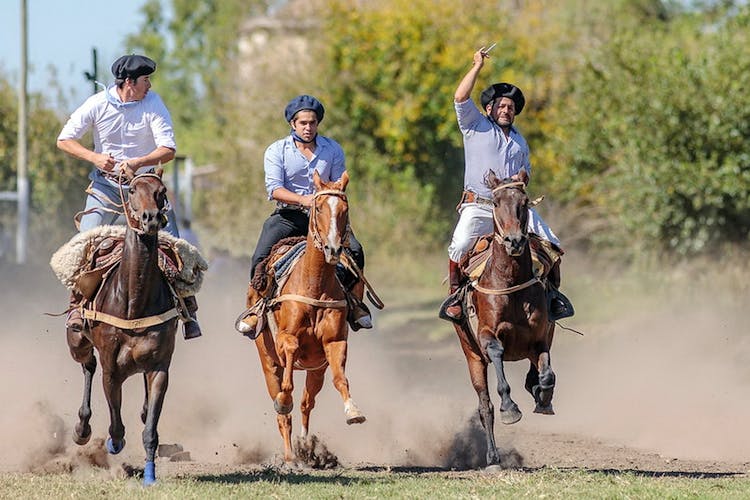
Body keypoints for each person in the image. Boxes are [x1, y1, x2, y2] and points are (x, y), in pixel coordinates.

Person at [56, 54, 202, 340]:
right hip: (106, 188)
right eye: (145, 80)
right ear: (128, 83)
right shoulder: (97, 104)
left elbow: (168, 149)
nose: (149, 85)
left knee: (174, 245)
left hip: (145, 187)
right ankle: (76, 307)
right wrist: (95, 157)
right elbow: (64, 140)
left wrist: (137, 162)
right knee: (84, 243)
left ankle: (187, 310)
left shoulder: (153, 103)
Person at [440, 47, 573, 322]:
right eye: (501, 105)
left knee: (552, 243)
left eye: (510, 107)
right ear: (489, 108)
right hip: (479, 204)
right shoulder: (474, 124)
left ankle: (554, 298)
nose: (506, 110)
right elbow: (459, 96)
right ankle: (454, 297)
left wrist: (522, 179)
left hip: (513, 208)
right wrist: (477, 65)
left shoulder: (520, 142)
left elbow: (526, 173)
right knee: (461, 242)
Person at [237, 94, 372, 336]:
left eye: (312, 123)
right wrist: (303, 200)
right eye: (303, 123)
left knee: (356, 251)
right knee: (260, 256)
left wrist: (325, 200)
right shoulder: (277, 150)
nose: (308, 128)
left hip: (325, 217)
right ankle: (255, 307)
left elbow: (339, 183)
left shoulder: (333, 149)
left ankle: (355, 305)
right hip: (290, 216)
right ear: (292, 124)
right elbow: (274, 189)